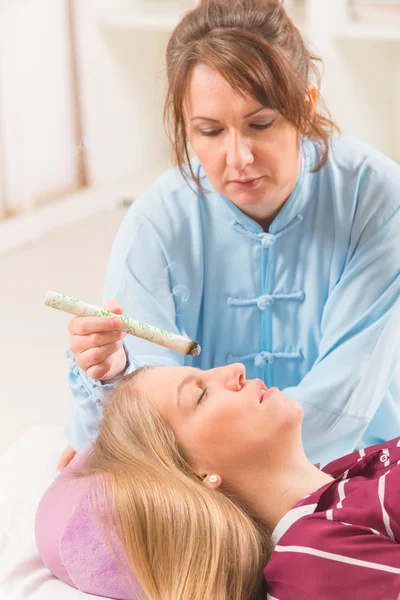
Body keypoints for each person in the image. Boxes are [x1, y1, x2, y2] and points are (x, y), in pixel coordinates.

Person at [59, 0, 400, 472]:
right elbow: (145, 404)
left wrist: (222, 475)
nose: (237, 157)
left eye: (260, 124)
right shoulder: (157, 220)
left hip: (350, 464)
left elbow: (345, 396)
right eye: (210, 131)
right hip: (200, 482)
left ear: (304, 106)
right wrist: (111, 371)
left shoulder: (376, 197)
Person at [36, 362, 400, 600]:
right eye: (201, 394)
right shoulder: (313, 556)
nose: (235, 369)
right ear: (194, 471)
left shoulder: (354, 467)